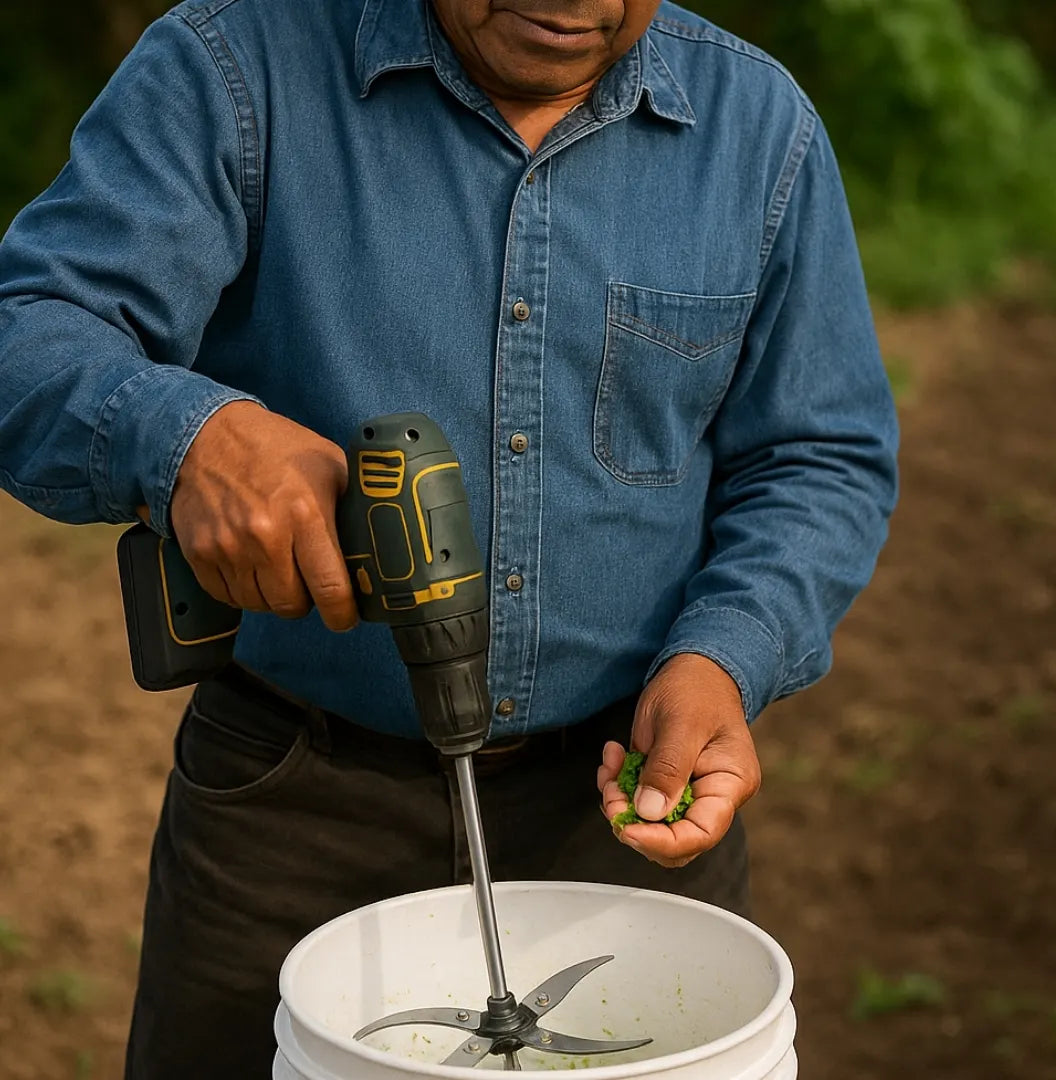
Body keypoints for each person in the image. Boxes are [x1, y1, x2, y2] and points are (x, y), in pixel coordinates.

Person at [0, 0, 899, 1076]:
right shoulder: (235, 71)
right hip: (291, 804)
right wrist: (185, 437)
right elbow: (33, 327)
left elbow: (819, 457)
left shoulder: (760, 133)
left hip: (618, 810)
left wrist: (726, 655)